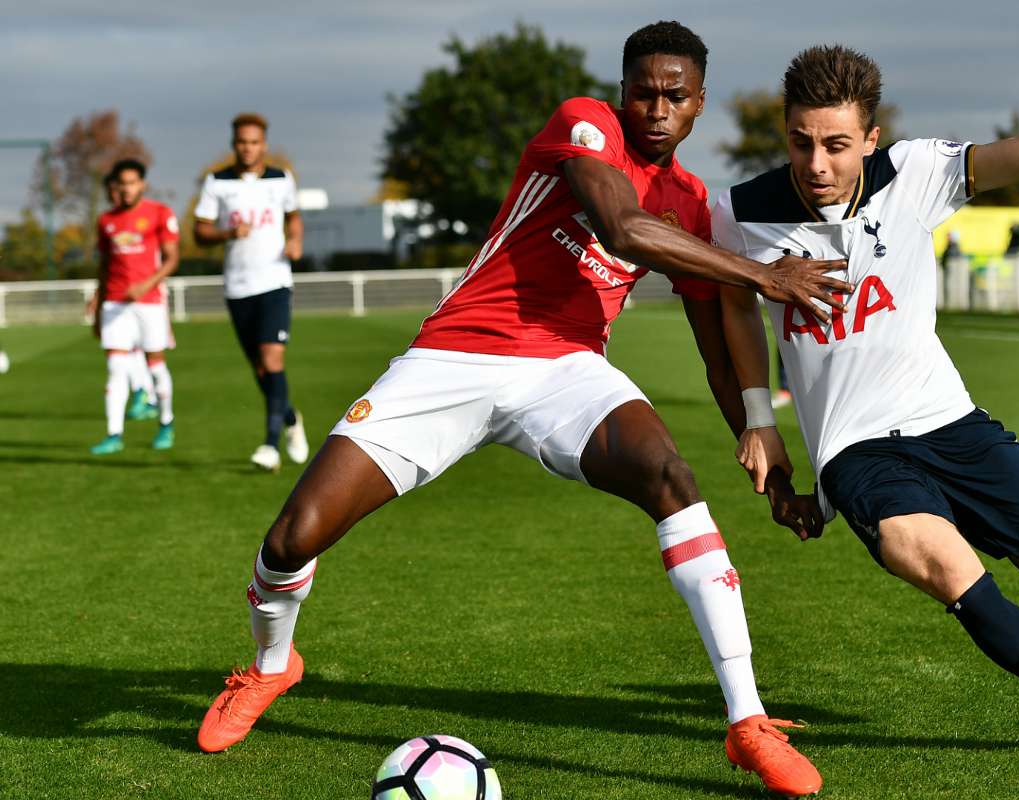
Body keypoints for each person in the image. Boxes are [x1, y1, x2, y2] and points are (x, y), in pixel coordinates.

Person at [195, 21, 849, 796]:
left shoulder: (691, 203)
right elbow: (622, 227)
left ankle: (748, 723)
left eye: (676, 95)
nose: (658, 108)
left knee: (669, 475)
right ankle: (272, 667)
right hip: (455, 358)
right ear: (621, 92)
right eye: (644, 91)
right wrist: (767, 276)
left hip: (566, 370)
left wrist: (767, 462)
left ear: (700, 103)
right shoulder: (584, 124)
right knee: (291, 538)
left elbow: (714, 342)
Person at [715, 17, 1019, 770]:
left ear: (870, 136)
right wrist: (761, 419)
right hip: (855, 452)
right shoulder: (742, 212)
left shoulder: (918, 172)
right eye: (801, 142)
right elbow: (734, 303)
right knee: (941, 567)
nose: (816, 163)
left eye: (835, 144)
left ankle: (958, 507)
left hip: (949, 421)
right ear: (785, 131)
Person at [193, 112, 308, 472]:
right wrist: (228, 233)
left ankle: (269, 446)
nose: (248, 148)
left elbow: (294, 216)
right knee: (261, 369)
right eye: (242, 142)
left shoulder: (280, 179)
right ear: (234, 145)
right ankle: (290, 418)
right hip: (237, 286)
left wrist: (296, 240)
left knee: (272, 358)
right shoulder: (217, 183)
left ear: (264, 145)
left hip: (274, 282)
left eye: (254, 142)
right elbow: (199, 232)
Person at [90, 159, 179, 455]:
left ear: (142, 184)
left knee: (155, 366)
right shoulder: (106, 221)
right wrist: (99, 300)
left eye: (132, 182)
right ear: (115, 186)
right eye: (121, 184)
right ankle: (113, 434)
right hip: (115, 303)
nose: (126, 189)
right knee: (116, 367)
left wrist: (146, 284)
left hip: (149, 302)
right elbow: (104, 264)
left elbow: (171, 259)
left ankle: (166, 423)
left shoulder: (159, 214)